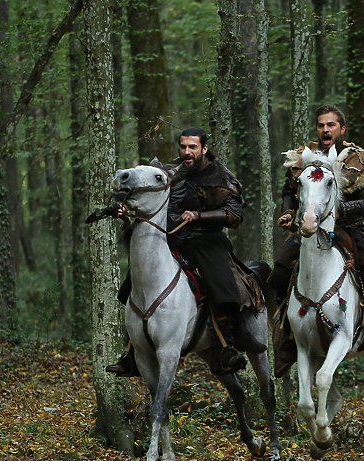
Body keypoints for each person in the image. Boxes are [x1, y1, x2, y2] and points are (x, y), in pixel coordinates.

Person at [107, 127, 259, 377]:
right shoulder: (170, 171)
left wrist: (199, 215)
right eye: (183, 146)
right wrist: (126, 210)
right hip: (170, 238)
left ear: (204, 149)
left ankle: (225, 348)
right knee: (131, 287)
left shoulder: (221, 176)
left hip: (206, 240)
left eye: (192, 147)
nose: (187, 151)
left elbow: (234, 214)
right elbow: (149, 201)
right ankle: (132, 352)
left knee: (222, 287)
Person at [269, 104, 364, 371]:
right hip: (311, 229)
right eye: (321, 125)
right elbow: (289, 192)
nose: (325, 130)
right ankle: (288, 331)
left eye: (331, 125)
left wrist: (342, 210)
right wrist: (289, 212)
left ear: (342, 129)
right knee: (280, 271)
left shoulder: (359, 159)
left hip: (350, 229)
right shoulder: (304, 157)